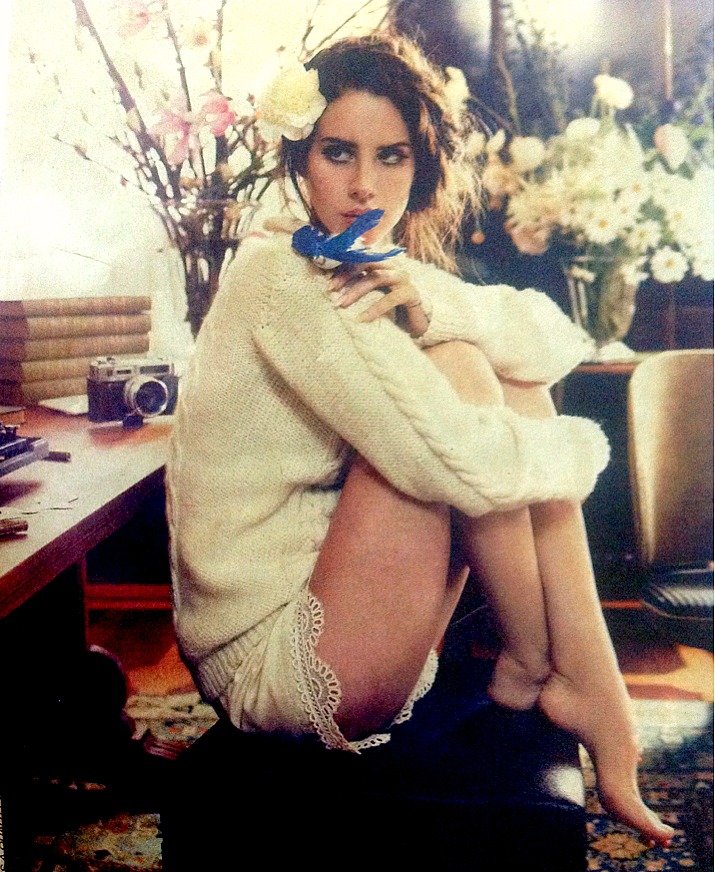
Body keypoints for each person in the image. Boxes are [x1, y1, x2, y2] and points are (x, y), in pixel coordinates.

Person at [165, 33, 674, 847]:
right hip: (276, 662)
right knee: (462, 382)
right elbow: (458, 465)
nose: (363, 184)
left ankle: (559, 671)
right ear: (299, 158)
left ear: (420, 166)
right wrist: (584, 456)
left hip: (343, 611)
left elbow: (554, 343)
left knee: (481, 362)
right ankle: (565, 673)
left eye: (391, 156)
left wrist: (438, 303)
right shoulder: (279, 274)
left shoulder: (355, 261)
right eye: (337, 152)